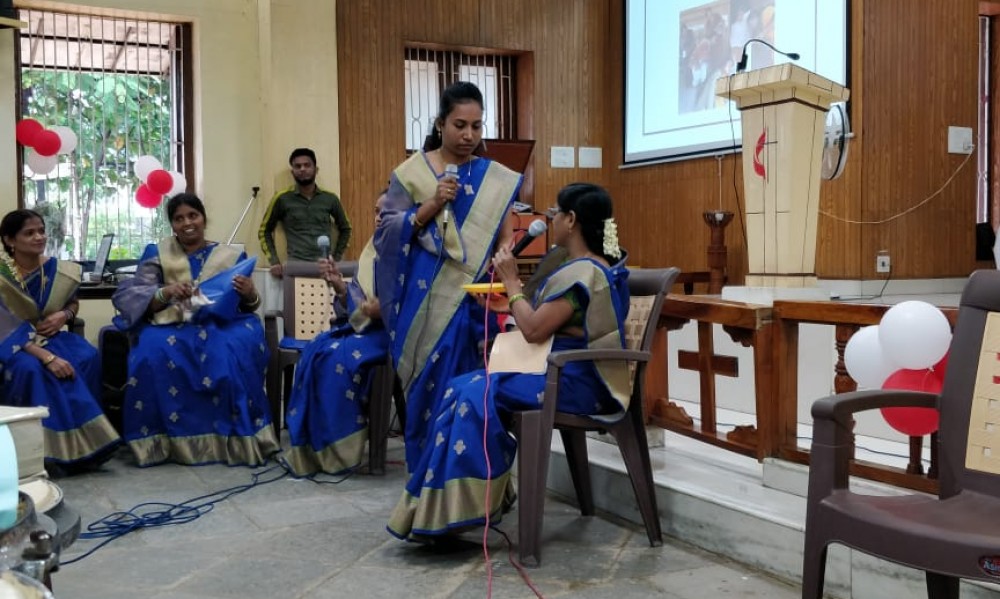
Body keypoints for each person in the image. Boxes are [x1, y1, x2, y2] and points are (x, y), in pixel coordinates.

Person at [387, 182, 630, 541]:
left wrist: (512, 282)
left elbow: (533, 330)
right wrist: (506, 302)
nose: (551, 219)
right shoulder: (583, 267)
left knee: (473, 391)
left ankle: (464, 508)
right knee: (462, 386)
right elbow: (550, 321)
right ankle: (456, 504)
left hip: (577, 383)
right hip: (558, 372)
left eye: (555, 213)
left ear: (571, 220)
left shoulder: (585, 273)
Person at [374, 81, 522, 472]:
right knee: (428, 391)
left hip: (475, 303)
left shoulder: (494, 178)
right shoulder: (412, 173)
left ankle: (469, 483)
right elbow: (386, 235)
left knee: (472, 391)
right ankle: (427, 484)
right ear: (440, 124)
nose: (469, 135)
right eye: (460, 125)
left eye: (476, 126)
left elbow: (504, 237)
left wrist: (502, 260)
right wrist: (433, 202)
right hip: (424, 304)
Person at [112, 194, 279, 467]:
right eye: (179, 219)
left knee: (227, 352)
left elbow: (249, 305)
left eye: (193, 215)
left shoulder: (230, 256)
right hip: (171, 322)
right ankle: (159, 443)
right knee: (151, 350)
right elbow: (136, 294)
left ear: (203, 218)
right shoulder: (157, 254)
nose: (187, 223)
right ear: (172, 225)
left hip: (220, 323)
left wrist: (250, 293)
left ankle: (233, 439)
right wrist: (166, 292)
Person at [0, 209, 121, 470]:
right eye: (29, 233)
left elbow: (72, 302)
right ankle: (40, 452)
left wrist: (64, 315)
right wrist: (48, 358)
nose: (39, 237)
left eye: (41, 231)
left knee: (87, 356)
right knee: (30, 369)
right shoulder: (2, 276)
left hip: (51, 335)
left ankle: (89, 444)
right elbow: (3, 325)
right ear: (10, 240)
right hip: (14, 343)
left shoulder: (57, 270)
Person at [284, 193, 390, 476]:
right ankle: (311, 448)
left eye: (388, 211)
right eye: (376, 211)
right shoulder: (371, 251)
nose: (380, 217)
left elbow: (416, 305)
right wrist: (339, 285)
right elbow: (355, 306)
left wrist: (385, 310)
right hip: (363, 330)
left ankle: (339, 452)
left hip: (392, 335)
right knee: (316, 350)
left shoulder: (411, 251)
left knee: (335, 359)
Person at [259, 148, 353, 278]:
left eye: (307, 165)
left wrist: (336, 259)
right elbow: (264, 231)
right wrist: (274, 261)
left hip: (325, 268)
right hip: (296, 268)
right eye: (297, 166)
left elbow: (346, 229)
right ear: (292, 172)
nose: (302, 169)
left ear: (316, 169)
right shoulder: (282, 198)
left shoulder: (330, 198)